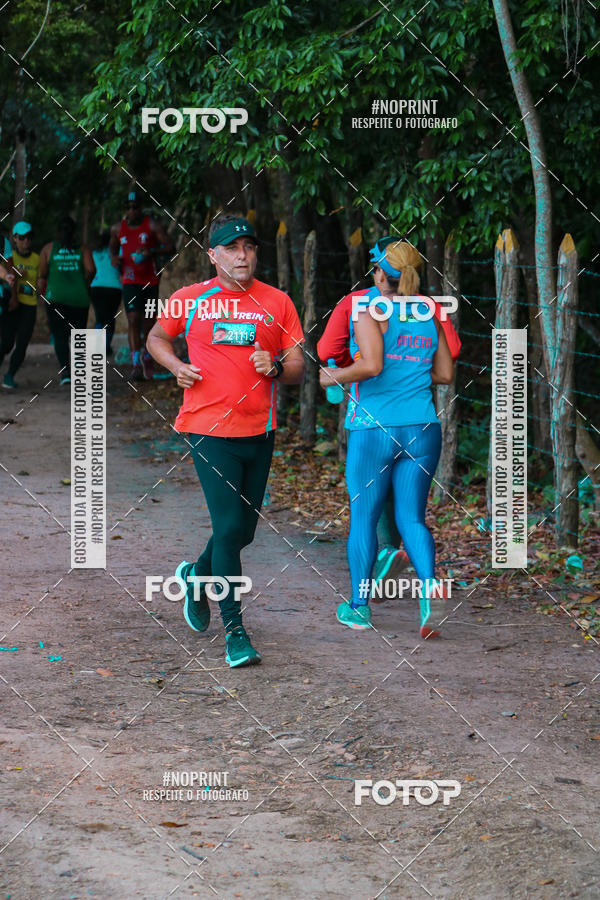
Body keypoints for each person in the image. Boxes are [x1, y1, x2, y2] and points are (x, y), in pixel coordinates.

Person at [147, 214, 305, 668]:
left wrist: (273, 365)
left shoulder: (277, 303)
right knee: (230, 527)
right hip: (207, 428)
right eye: (232, 248)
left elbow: (297, 367)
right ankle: (235, 631)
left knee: (242, 531)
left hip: (261, 430)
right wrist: (176, 367)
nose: (242, 255)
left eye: (249, 247)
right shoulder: (189, 299)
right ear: (213, 254)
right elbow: (158, 337)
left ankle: (196, 576)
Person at [319, 240, 454, 638]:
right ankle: (430, 595)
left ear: (379, 273)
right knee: (411, 517)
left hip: (373, 428)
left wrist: (332, 376)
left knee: (364, 516)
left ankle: (359, 607)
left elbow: (371, 365)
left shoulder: (367, 311)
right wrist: (410, 373)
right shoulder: (431, 311)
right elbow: (445, 374)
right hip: (423, 428)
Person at [110, 190, 174, 381]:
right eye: (128, 208)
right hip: (130, 280)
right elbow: (112, 246)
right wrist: (114, 258)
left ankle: (148, 356)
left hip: (151, 280)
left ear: (141, 207)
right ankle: (135, 362)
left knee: (148, 322)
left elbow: (171, 247)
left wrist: (151, 252)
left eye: (135, 207)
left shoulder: (151, 226)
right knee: (132, 319)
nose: (132, 211)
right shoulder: (117, 229)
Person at [38, 216, 96, 386]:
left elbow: (42, 275)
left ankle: (66, 373)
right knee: (78, 334)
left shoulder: (48, 249)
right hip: (79, 299)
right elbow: (91, 270)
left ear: (58, 232)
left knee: (59, 336)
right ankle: (79, 372)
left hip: (55, 298)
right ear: (74, 232)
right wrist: (83, 284)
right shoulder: (82, 249)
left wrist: (43, 293)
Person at [0, 221, 39, 389]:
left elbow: (41, 279)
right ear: (14, 238)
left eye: (29, 237)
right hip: (11, 303)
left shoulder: (37, 258)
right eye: (22, 237)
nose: (26, 241)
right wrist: (13, 273)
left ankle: (10, 376)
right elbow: (6, 273)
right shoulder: (8, 256)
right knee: (6, 343)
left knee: (23, 342)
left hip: (30, 305)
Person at [91, 229, 122, 354]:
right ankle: (106, 346)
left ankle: (97, 347)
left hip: (96, 287)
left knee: (99, 318)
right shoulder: (118, 253)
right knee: (110, 318)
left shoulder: (94, 253)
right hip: (114, 288)